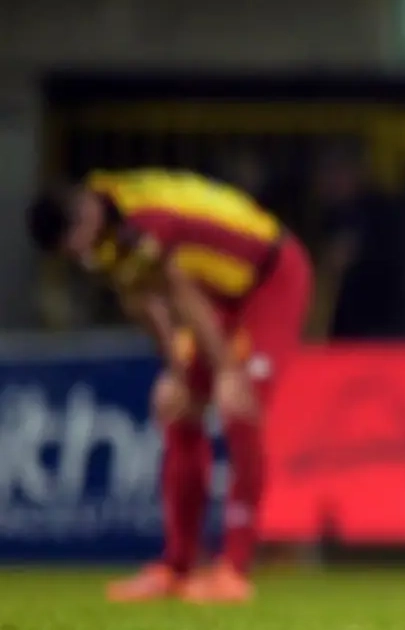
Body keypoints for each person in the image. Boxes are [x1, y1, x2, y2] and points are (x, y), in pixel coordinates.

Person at [27, 169, 313, 603]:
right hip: (220, 295)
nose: (79, 254)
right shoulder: (103, 231)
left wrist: (227, 371)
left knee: (239, 407)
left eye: (75, 242)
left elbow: (180, 293)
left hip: (270, 277)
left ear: (84, 213)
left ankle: (234, 571)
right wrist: (176, 373)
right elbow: (140, 299)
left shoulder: (142, 220)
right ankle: (177, 567)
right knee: (180, 411)